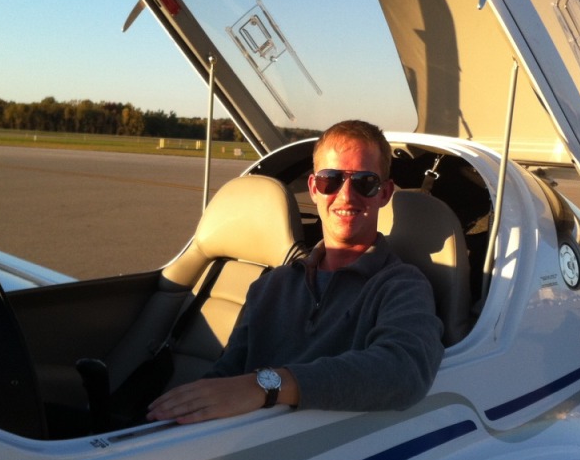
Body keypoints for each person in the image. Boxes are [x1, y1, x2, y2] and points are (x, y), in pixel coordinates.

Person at [146, 120, 444, 424]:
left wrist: (267, 386)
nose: (346, 196)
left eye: (364, 182)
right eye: (331, 180)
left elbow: (406, 371)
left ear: (384, 193)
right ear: (314, 188)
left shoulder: (401, 286)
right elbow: (228, 375)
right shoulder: (271, 285)